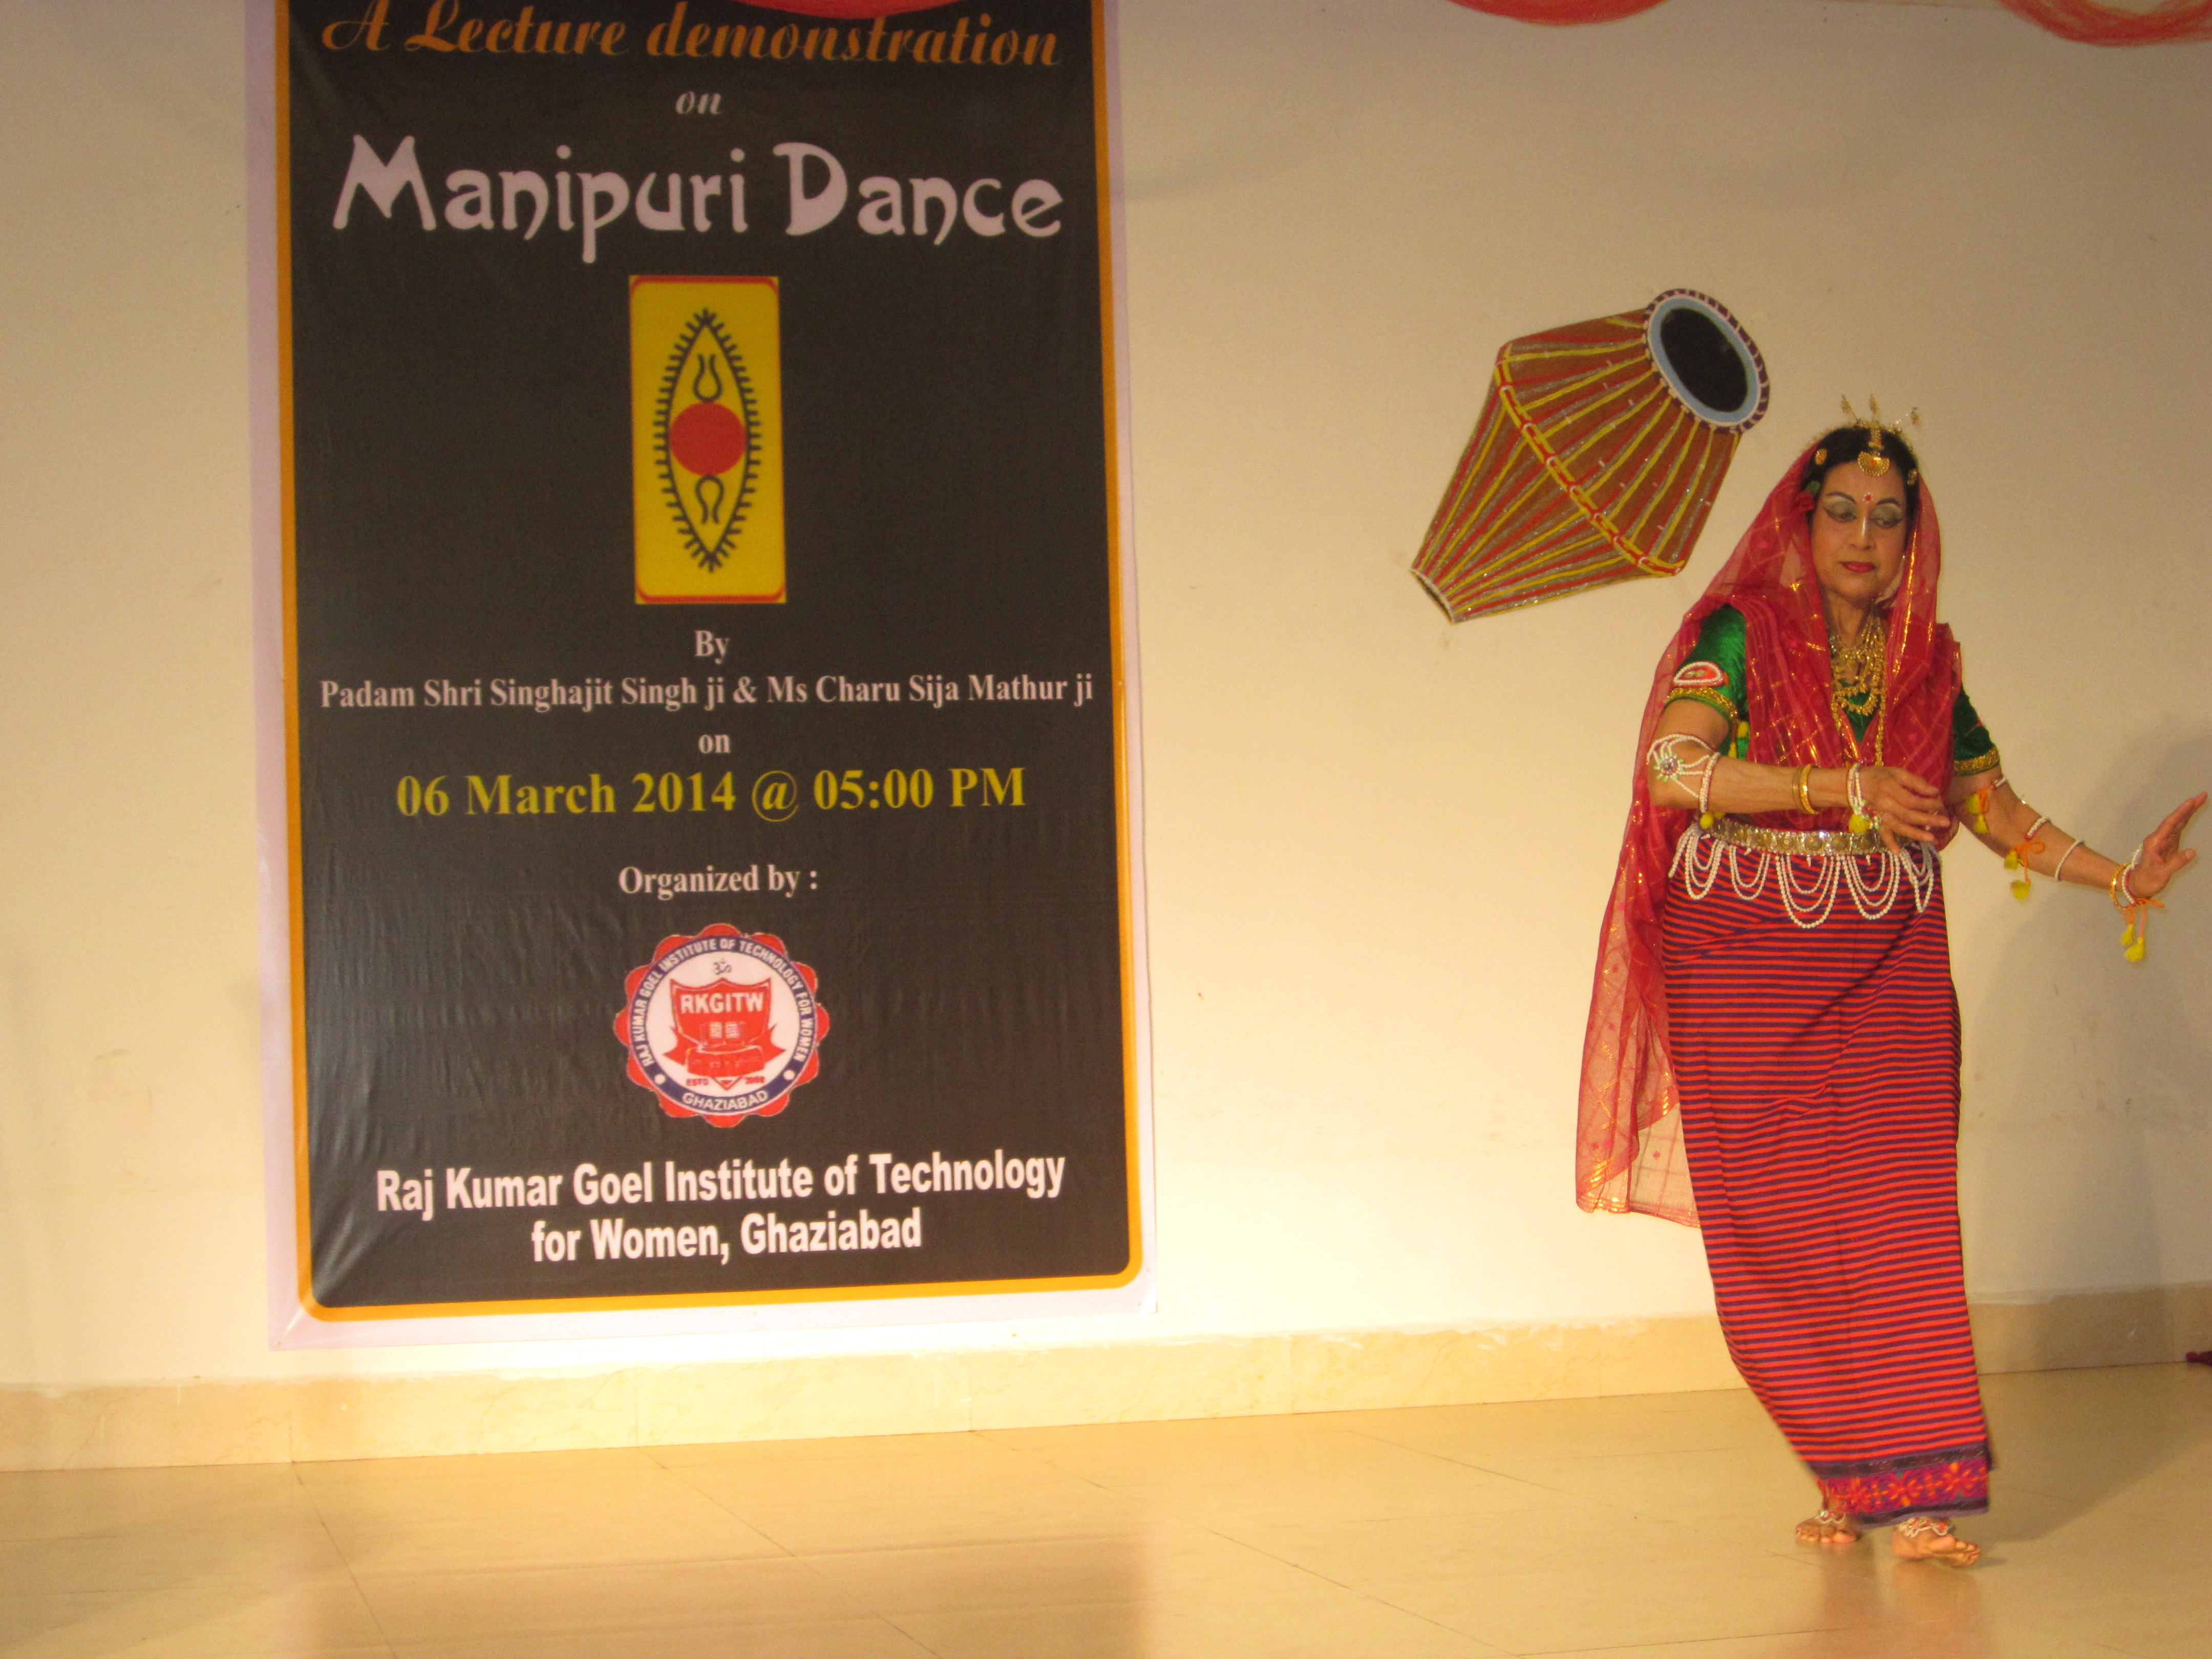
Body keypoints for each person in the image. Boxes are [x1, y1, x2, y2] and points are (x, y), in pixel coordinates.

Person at [1577, 410, 2202, 1567]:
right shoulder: (1743, 632)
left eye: (1888, 517)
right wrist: (1838, 786)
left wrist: (2120, 876)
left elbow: (1990, 807)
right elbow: (1672, 768)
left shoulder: (1929, 666)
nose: (1864, 537)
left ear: (1915, 537)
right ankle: (1843, 1467)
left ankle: (1914, 1495)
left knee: (1899, 1221)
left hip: (1889, 963)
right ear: (1803, 522)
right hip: (1747, 964)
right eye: (1842, 512)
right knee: (1778, 1232)